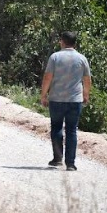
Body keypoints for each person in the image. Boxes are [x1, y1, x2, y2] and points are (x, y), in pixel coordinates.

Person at [40, 31, 92, 171]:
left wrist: (43, 95)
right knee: (72, 130)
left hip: (56, 99)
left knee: (56, 127)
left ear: (62, 41)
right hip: (75, 100)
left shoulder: (55, 57)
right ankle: (70, 163)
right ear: (75, 43)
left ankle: (57, 159)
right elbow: (87, 80)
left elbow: (47, 77)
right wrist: (86, 95)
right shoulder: (82, 59)